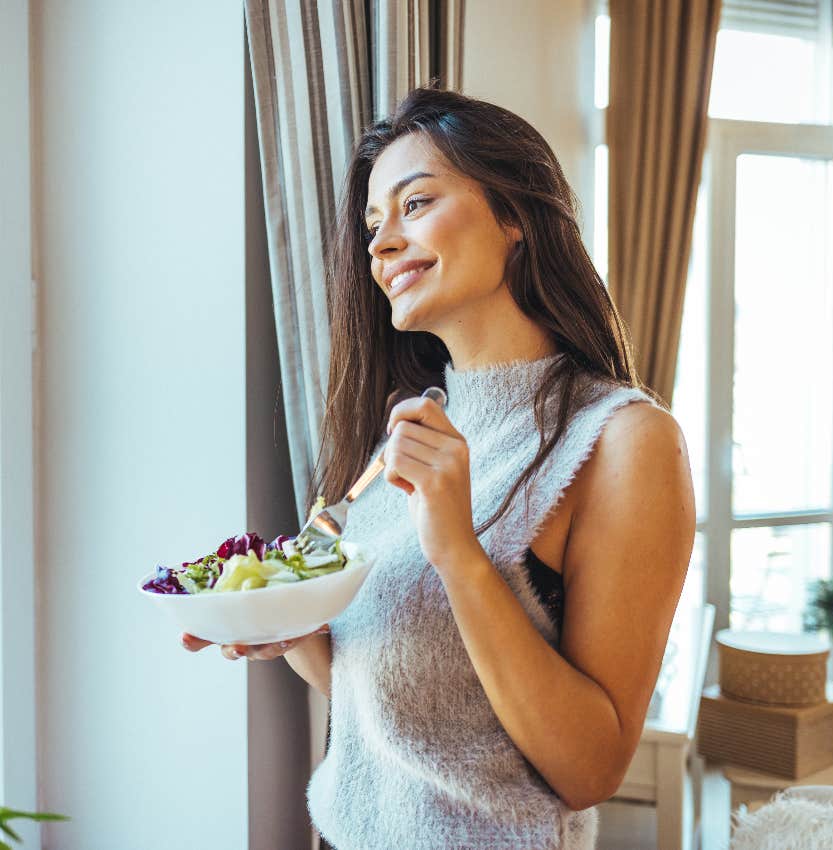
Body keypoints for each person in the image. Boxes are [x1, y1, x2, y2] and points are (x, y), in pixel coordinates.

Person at [183, 82, 695, 850]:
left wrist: (457, 551)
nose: (381, 243)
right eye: (373, 224)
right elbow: (392, 707)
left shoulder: (624, 441)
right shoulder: (404, 434)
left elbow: (590, 768)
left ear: (516, 216)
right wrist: (281, 623)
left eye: (414, 204)